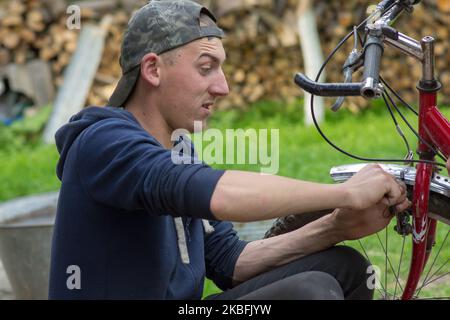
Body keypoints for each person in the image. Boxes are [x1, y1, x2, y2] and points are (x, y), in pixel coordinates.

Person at [49, 0, 411, 300]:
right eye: (206, 68)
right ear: (153, 70)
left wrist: (334, 227)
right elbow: (218, 196)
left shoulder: (178, 149)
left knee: (345, 268)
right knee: (310, 292)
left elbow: (229, 262)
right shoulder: (104, 141)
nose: (222, 87)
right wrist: (346, 194)